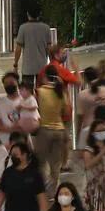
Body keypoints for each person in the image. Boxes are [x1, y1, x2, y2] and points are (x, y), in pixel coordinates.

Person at [35, 66, 68, 198]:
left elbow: (35, 109)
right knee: (55, 163)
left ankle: (41, 190)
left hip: (45, 129)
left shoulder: (40, 91)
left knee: (41, 162)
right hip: (59, 130)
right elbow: (65, 112)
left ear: (45, 77)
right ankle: (52, 192)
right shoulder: (61, 92)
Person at [12, 6, 51, 88]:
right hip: (42, 66)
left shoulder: (23, 28)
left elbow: (18, 49)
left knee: (27, 94)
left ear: (27, 14)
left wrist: (15, 64)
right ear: (39, 14)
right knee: (41, 92)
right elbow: (48, 49)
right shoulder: (46, 28)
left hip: (27, 68)